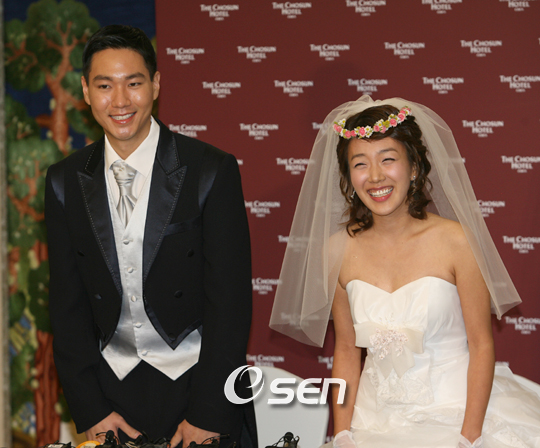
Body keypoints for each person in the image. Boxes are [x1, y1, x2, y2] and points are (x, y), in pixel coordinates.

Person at [270, 96, 540, 447]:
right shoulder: (336, 250)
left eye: (388, 159)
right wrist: (343, 433)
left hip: (456, 415)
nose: (375, 176)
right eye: (360, 164)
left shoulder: (456, 241)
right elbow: (347, 351)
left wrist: (469, 437)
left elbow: (481, 344)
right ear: (348, 177)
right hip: (372, 422)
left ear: (413, 168)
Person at [45, 25, 255, 448]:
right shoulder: (64, 181)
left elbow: (230, 306)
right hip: (111, 400)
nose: (120, 101)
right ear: (86, 91)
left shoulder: (209, 170)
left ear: (156, 85)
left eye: (134, 83)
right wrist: (91, 410)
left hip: (200, 389)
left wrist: (209, 414)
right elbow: (67, 308)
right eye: (105, 85)